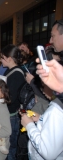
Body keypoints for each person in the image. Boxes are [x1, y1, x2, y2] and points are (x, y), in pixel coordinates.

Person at [20, 19, 63, 160]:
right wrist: (41, 119)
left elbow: (48, 152)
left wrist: (30, 125)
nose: (50, 40)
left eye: (53, 36)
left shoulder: (57, 110)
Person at [0, 44, 26, 160]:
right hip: (9, 114)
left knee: (10, 148)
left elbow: (11, 97)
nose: (0, 60)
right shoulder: (11, 71)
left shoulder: (16, 74)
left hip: (11, 116)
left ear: (9, 58)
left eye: (2, 57)